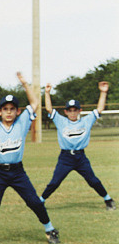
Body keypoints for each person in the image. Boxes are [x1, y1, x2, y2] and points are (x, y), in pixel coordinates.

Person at [0, 71, 59, 244]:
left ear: (18, 111)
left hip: (17, 172)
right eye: (5, 109)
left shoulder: (22, 122)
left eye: (12, 109)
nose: (9, 112)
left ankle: (50, 230)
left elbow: (34, 103)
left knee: (34, 202)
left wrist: (25, 84)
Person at [39, 82, 115, 210]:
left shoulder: (86, 120)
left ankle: (108, 200)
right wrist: (47, 93)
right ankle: (40, 201)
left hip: (80, 157)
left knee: (93, 180)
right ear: (66, 112)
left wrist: (103, 92)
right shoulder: (61, 121)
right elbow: (49, 109)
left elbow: (99, 109)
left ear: (80, 111)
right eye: (70, 110)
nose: (73, 113)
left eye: (75, 110)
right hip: (65, 158)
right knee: (55, 182)